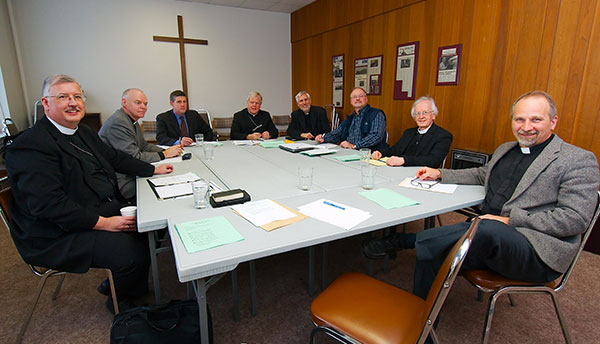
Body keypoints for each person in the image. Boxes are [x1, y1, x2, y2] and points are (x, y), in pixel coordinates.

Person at [362, 90, 599, 300]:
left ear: (553, 121)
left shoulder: (577, 159)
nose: (526, 127)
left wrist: (508, 221)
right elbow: (481, 174)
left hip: (535, 248)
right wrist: (440, 174)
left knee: (482, 228)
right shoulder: (506, 149)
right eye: (519, 119)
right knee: (436, 252)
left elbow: (574, 219)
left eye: (536, 119)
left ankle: (408, 241)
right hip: (486, 235)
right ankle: (420, 328)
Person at [5, 75, 174, 313]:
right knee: (130, 251)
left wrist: (152, 169)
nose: (73, 102)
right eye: (63, 97)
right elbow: (49, 205)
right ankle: (123, 305)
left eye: (77, 96)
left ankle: (122, 285)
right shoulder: (31, 145)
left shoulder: (82, 132)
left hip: (88, 209)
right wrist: (105, 223)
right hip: (53, 233)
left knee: (150, 223)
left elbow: (114, 158)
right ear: (46, 103)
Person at [99, 88, 183, 200]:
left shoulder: (131, 120)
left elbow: (144, 146)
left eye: (145, 104)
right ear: (124, 102)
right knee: (170, 186)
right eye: (138, 103)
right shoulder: (118, 122)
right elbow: (134, 157)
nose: (143, 107)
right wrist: (165, 155)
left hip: (131, 172)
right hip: (121, 181)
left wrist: (166, 151)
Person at [371, 96, 452, 167]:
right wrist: (381, 153)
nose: (421, 117)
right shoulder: (409, 132)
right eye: (417, 113)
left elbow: (433, 161)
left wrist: (404, 160)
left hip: (424, 176)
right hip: (401, 172)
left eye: (425, 112)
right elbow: (395, 150)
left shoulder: (443, 136)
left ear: (433, 115)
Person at [315, 87, 386, 150]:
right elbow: (337, 133)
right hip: (349, 152)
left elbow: (376, 136)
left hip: (368, 155)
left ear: (366, 99)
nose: (357, 99)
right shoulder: (350, 118)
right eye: (354, 97)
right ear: (351, 101)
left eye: (361, 96)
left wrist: (355, 146)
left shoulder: (376, 114)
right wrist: (323, 138)